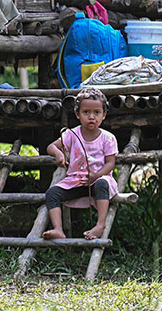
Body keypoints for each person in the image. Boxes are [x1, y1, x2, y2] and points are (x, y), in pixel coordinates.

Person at [41, 88, 118, 240]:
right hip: (76, 182)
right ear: (77, 114)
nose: (91, 117)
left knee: (102, 184)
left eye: (97, 112)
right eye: (86, 112)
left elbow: (110, 164)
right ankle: (58, 229)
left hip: (98, 180)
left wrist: (96, 175)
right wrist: (59, 154)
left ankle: (100, 225)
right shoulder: (71, 134)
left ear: (104, 115)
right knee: (52, 193)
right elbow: (51, 146)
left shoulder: (108, 138)